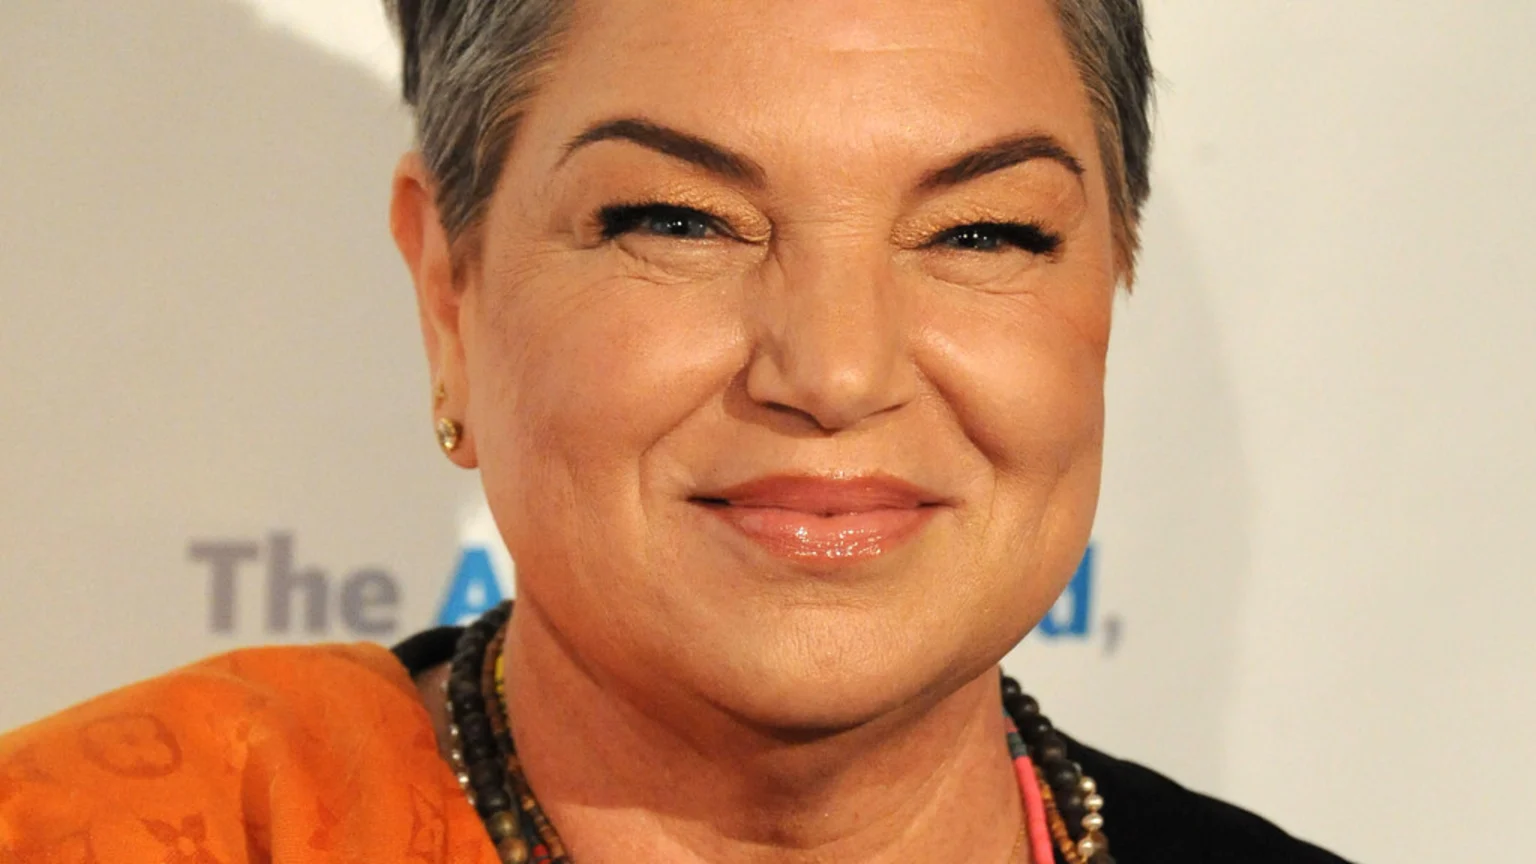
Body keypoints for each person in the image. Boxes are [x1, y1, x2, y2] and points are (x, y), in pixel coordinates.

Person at [0, 1, 1350, 861]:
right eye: (677, 222)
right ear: (449, 291)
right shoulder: (136, 832)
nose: (833, 369)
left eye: (983, 231)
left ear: (1107, 282)